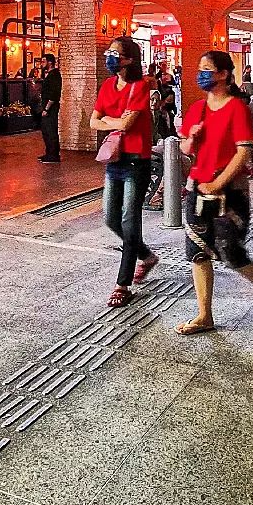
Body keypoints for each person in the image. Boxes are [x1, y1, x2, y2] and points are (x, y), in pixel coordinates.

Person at [176, 50, 253, 335]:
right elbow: (185, 149)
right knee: (197, 251)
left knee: (230, 252)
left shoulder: (237, 108)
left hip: (230, 193)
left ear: (223, 74)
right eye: (200, 68)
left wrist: (218, 182)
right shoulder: (197, 108)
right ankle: (204, 314)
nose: (201, 74)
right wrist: (192, 138)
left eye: (207, 69)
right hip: (197, 189)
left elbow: (243, 152)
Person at [91, 37, 158, 306]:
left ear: (129, 59)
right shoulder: (108, 85)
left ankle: (122, 284)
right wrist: (114, 121)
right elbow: (93, 121)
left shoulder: (140, 86)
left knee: (130, 221)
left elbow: (129, 125)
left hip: (135, 159)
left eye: (116, 54)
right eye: (109, 52)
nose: (110, 57)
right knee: (110, 218)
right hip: (115, 158)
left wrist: (110, 120)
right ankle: (147, 255)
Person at [38, 52, 62, 164]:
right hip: (46, 107)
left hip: (51, 108)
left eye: (43, 61)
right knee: (46, 131)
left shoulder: (55, 75)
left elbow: (54, 94)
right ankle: (48, 153)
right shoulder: (49, 75)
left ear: (50, 62)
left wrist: (47, 109)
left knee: (51, 130)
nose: (42, 64)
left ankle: (54, 155)